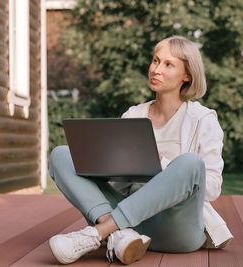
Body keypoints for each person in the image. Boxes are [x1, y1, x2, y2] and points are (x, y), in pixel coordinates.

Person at [48, 35, 233, 265]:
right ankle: (118, 234)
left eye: (168, 64)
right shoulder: (133, 115)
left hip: (176, 229)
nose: (156, 69)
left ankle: (99, 233)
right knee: (61, 155)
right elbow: (118, 186)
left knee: (190, 163)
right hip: (132, 224)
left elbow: (213, 187)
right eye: (156, 61)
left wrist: (162, 165)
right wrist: (107, 166)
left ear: (187, 75)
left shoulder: (203, 119)